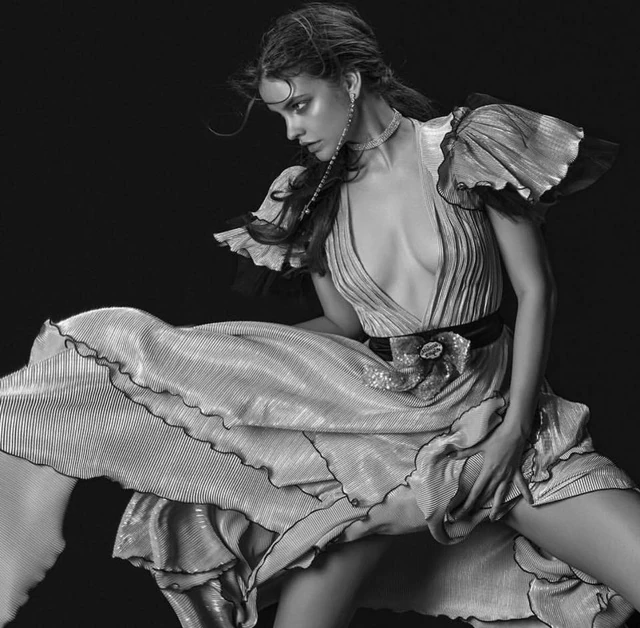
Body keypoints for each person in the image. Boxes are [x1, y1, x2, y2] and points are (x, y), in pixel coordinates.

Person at [1, 3, 639, 628]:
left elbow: (535, 290)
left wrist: (514, 429)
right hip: (381, 439)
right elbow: (344, 328)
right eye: (280, 114)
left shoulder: (469, 145)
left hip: (506, 422)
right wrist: (200, 366)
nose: (291, 130)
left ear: (351, 83)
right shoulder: (309, 196)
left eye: (299, 105)